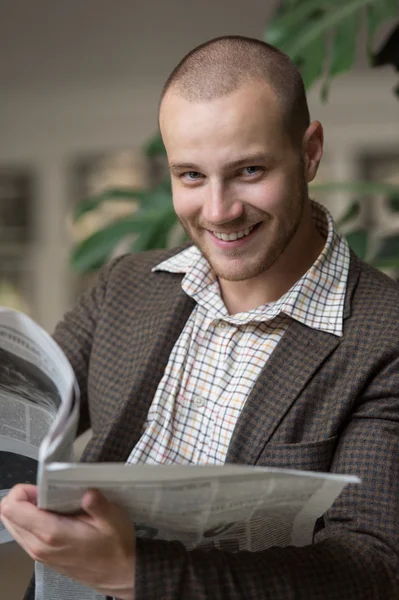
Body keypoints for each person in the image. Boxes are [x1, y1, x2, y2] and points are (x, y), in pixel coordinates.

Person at [1, 35, 399, 600]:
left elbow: (371, 570)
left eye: (249, 170)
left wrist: (133, 572)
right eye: (190, 176)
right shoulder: (129, 285)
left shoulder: (386, 336)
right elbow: (29, 416)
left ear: (310, 152)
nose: (218, 211)